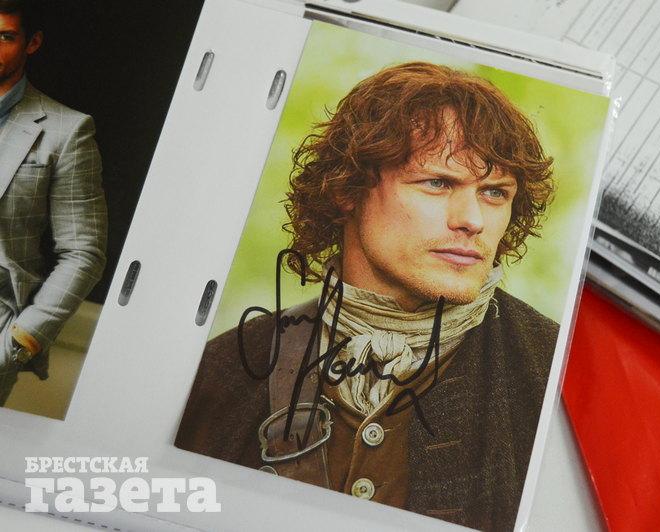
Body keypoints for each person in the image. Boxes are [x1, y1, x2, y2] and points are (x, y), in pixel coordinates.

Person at [177, 62, 558, 531]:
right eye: (438, 183)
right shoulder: (225, 370)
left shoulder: (550, 374)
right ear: (348, 190)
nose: (472, 220)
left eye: (495, 193)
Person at [0, 0, 107, 403]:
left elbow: (84, 252)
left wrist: (21, 340)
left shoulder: (67, 130)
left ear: (32, 42)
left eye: (5, 36)